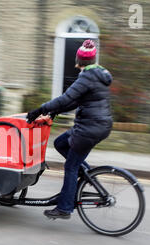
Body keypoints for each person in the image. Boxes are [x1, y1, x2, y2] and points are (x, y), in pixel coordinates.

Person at [26, 39, 113, 220]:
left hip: (89, 128)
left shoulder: (87, 77)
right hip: (99, 125)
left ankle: (64, 208)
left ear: (79, 61)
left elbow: (66, 98)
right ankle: (88, 176)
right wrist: (53, 112)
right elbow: (74, 101)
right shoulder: (98, 74)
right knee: (60, 143)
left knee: (71, 166)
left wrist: (40, 109)